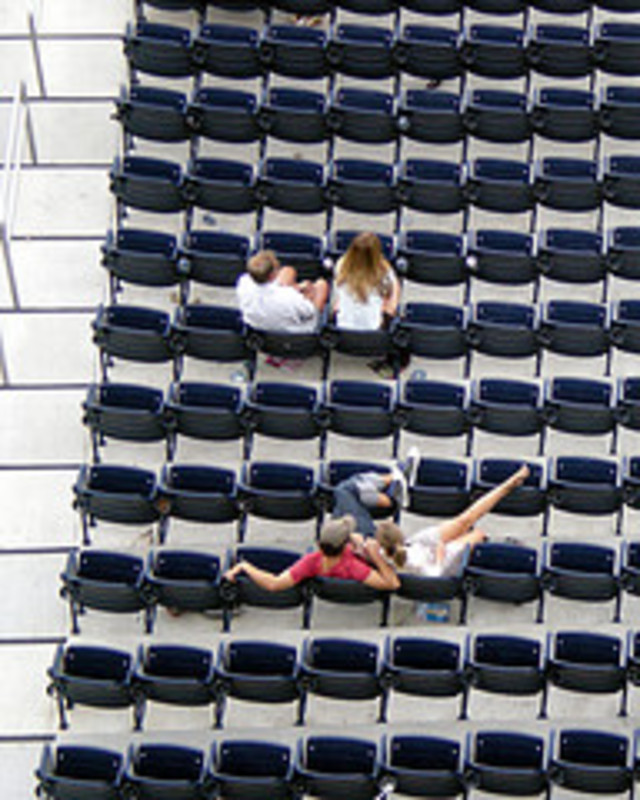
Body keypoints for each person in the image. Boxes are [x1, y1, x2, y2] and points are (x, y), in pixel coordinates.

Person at [375, 463, 531, 578]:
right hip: (437, 560)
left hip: (420, 544)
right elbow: (435, 575)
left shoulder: (381, 552)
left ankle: (508, 485)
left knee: (465, 520)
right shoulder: (410, 561)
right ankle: (502, 551)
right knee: (478, 535)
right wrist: (439, 555)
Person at [223, 515, 400, 592]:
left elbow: (274, 584)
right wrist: (375, 556)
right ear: (345, 545)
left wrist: (244, 566)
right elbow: (393, 583)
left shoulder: (311, 562)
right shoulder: (353, 566)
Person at [236, 249, 329, 334]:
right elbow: (309, 312)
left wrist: (297, 288)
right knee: (322, 285)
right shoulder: (289, 296)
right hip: (292, 332)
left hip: (257, 326)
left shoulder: (243, 282)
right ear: (271, 276)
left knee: (287, 271)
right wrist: (308, 296)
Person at [332, 232, 400, 331]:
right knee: (391, 296)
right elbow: (391, 304)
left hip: (342, 329)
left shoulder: (341, 266)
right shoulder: (384, 273)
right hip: (372, 330)